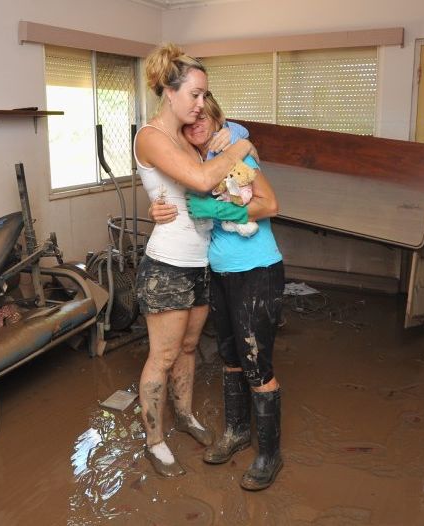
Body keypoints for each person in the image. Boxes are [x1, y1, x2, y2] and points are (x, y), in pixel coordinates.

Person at [150, 92, 285, 491]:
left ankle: (269, 454)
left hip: (257, 269)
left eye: (202, 119)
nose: (196, 127)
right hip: (221, 272)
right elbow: (170, 199)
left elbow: (271, 204)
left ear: (213, 118)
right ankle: (237, 432)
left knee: (257, 363)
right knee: (230, 356)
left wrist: (220, 210)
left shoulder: (236, 152)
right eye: (189, 125)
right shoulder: (196, 165)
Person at [133, 43, 256, 478]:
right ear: (169, 91)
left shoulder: (187, 139)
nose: (201, 104)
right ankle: (154, 439)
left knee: (188, 349)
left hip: (200, 261)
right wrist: (243, 146)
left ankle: (183, 415)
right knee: (162, 356)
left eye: (205, 96)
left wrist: (228, 146)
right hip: (167, 263)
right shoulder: (151, 136)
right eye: (195, 94)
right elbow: (205, 179)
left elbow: (203, 191)